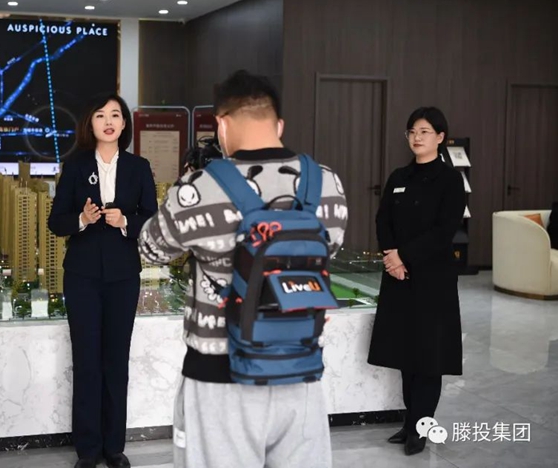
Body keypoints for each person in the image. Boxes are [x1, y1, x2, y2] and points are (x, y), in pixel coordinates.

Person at [138, 70, 347, 468]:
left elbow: (150, 249)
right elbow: (327, 252)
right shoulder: (327, 184)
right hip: (301, 372)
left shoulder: (198, 188)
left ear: (221, 125)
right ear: (279, 124)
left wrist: (186, 193)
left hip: (218, 377)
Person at [48, 93, 158, 468]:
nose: (108, 121)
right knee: (87, 361)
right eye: (100, 115)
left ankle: (114, 447)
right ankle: (88, 450)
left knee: (116, 360)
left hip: (123, 276)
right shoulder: (75, 166)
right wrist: (82, 219)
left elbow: (151, 220)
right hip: (82, 277)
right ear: (90, 124)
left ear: (124, 124)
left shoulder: (139, 167)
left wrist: (125, 221)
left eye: (115, 115)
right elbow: (56, 221)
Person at [367, 107, 465, 456]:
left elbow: (444, 230)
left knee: (429, 355)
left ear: (440, 137)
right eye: (412, 131)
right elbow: (383, 220)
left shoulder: (450, 180)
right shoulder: (399, 176)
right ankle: (410, 422)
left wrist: (403, 256)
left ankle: (421, 426)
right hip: (399, 277)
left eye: (424, 131)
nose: (417, 137)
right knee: (405, 352)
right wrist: (391, 256)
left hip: (432, 280)